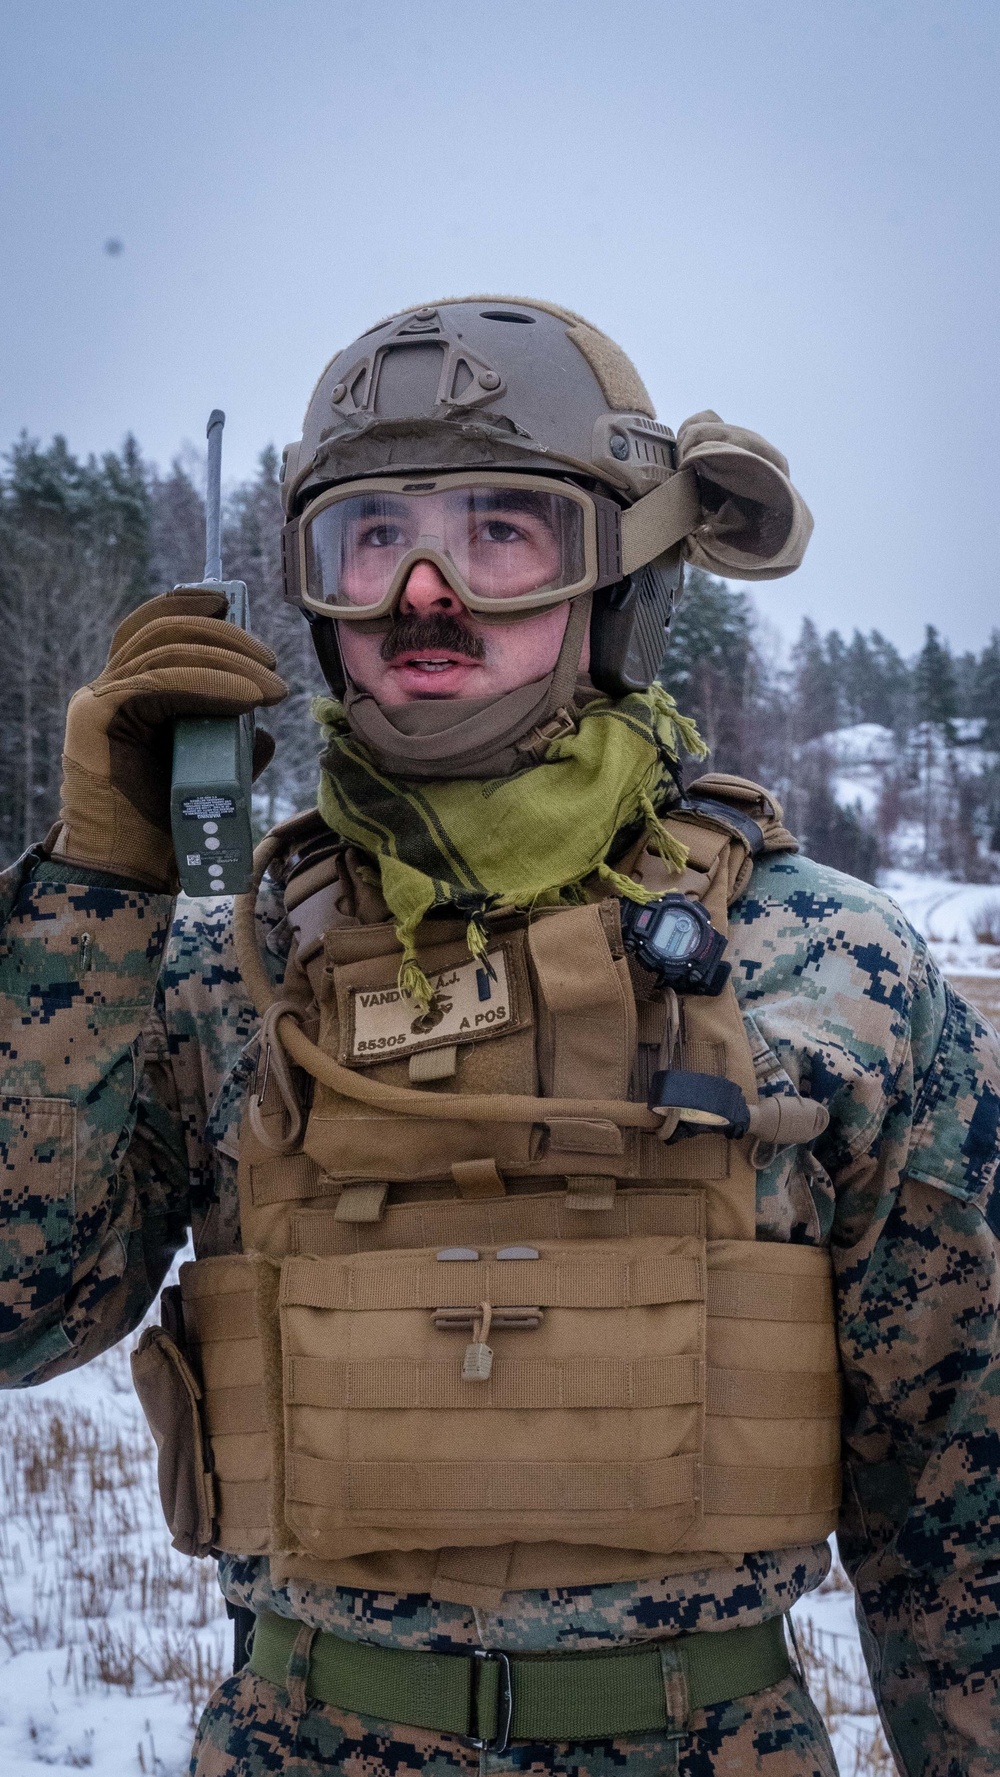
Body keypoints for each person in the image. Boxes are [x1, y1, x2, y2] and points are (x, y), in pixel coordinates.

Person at [1, 297, 998, 1777]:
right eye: (372, 535)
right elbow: (23, 1310)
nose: (423, 590)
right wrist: (93, 892)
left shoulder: (828, 960)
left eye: (501, 532)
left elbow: (962, 1510)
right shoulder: (221, 965)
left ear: (625, 574)